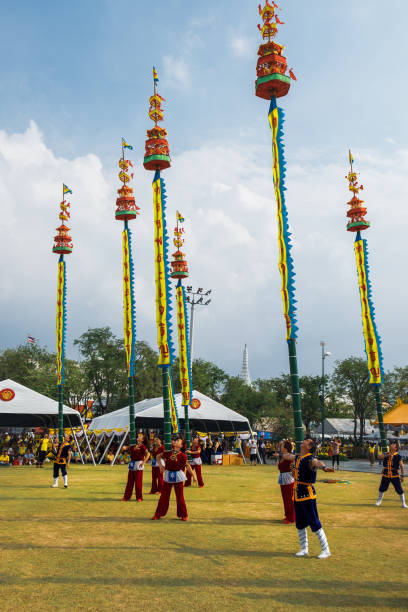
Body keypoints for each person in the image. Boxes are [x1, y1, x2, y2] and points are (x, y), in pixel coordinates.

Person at [286, 438, 334, 558]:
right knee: (300, 524)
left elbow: (317, 463)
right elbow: (289, 460)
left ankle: (326, 549)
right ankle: (304, 549)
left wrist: (324, 468)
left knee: (314, 522)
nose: (303, 441)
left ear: (308, 447)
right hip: (297, 494)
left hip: (307, 495)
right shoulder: (298, 458)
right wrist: (292, 468)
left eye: (306, 441)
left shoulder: (310, 458)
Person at [152, 436, 197, 521]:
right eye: (176, 440)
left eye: (178, 441)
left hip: (178, 476)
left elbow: (188, 466)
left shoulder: (183, 456)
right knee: (164, 496)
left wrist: (194, 477)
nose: (176, 442)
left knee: (180, 497)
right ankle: (158, 514)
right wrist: (161, 466)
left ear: (181, 446)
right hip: (168, 475)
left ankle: (184, 515)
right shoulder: (168, 452)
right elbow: (158, 456)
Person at [375, 441, 407, 508]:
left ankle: (403, 504)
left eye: (392, 445)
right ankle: (379, 501)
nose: (390, 445)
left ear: (395, 448)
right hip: (386, 475)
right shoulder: (386, 454)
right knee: (382, 488)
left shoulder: (398, 456)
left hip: (395, 475)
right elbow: (379, 457)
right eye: (391, 444)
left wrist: (402, 476)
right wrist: (377, 448)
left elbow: (402, 466)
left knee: (399, 489)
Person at [122, 433, 150, 502]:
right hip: (132, 464)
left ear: (142, 440)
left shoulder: (143, 447)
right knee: (129, 482)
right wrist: (125, 448)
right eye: (138, 436)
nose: (138, 437)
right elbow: (128, 447)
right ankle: (126, 497)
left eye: (140, 436)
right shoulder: (134, 445)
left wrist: (144, 462)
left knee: (138, 483)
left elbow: (148, 454)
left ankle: (139, 497)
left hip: (138, 465)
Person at [276, 440, 295, 524]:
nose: (281, 447)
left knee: (289, 498)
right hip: (283, 478)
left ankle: (291, 518)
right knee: (285, 498)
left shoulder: (289, 455)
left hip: (288, 479)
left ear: (286, 448)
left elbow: (292, 458)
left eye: (282, 446)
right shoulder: (284, 456)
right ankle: (288, 515)